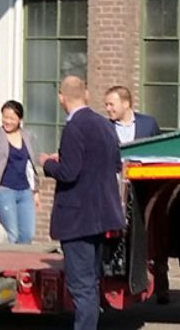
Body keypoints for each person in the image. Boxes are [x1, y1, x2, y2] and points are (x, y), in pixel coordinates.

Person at [40, 76, 124, 330]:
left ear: (61, 98)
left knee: (82, 286)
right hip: (102, 216)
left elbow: (69, 173)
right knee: (92, 282)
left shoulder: (74, 127)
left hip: (77, 219)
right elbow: (114, 164)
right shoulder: (105, 125)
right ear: (86, 95)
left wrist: (48, 163)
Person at [104, 85, 168, 303]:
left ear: (126, 103)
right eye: (106, 105)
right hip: (116, 192)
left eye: (111, 104)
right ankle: (122, 281)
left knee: (152, 237)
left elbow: (160, 155)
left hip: (146, 191)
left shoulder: (148, 124)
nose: (108, 109)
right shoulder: (106, 127)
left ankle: (161, 285)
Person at [0, 100, 40, 244]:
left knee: (27, 234)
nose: (7, 121)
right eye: (5, 117)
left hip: (25, 191)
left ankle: (23, 259)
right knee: (11, 234)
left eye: (12, 118)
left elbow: (31, 165)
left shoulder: (27, 136)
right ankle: (9, 259)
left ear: (20, 119)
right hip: (4, 191)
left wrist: (35, 191)